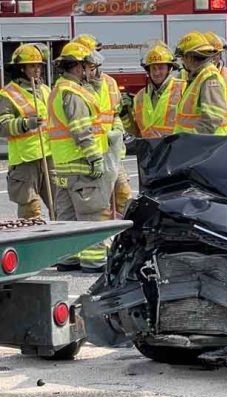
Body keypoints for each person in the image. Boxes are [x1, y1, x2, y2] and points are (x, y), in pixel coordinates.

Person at [47, 42, 113, 273]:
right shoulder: (73, 93)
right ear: (77, 67)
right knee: (91, 214)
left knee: (67, 216)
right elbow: (81, 129)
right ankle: (94, 261)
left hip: (64, 165)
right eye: (88, 66)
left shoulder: (59, 89)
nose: (92, 70)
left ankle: (68, 257)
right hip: (81, 165)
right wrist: (95, 157)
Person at [72, 34, 132, 218]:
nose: (95, 61)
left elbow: (114, 114)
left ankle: (124, 237)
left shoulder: (110, 83)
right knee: (98, 205)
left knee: (124, 196)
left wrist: (118, 128)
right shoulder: (76, 87)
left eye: (95, 55)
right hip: (91, 156)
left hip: (112, 153)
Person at [0, 44, 53, 219]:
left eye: (39, 66)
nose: (37, 70)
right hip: (25, 160)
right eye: (32, 66)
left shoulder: (45, 90)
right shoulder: (8, 94)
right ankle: (31, 245)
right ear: (21, 68)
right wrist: (26, 124)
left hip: (49, 155)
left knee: (59, 205)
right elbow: (2, 125)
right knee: (30, 210)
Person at [173, 31, 227, 135]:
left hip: (207, 146)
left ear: (189, 57)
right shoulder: (199, 76)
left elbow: (212, 119)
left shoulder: (209, 78)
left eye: (183, 57)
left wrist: (192, 142)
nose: (182, 61)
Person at [133, 43, 186, 138]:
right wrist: (125, 115)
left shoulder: (183, 88)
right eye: (153, 68)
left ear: (169, 69)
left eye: (161, 68)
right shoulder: (140, 96)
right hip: (149, 150)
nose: (157, 72)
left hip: (173, 149)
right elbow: (135, 130)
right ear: (148, 70)